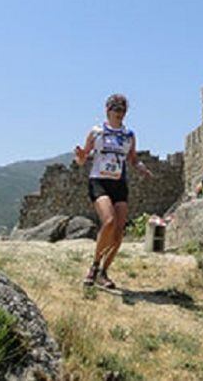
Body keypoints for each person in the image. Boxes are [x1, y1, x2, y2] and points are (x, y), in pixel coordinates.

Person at [74, 93, 153, 290]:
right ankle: (94, 266)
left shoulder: (129, 135)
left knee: (118, 233)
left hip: (119, 183)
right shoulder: (96, 132)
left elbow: (133, 159)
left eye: (123, 110)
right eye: (116, 109)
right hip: (99, 181)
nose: (120, 113)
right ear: (107, 110)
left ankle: (104, 272)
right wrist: (82, 156)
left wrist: (141, 167)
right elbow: (83, 159)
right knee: (108, 221)